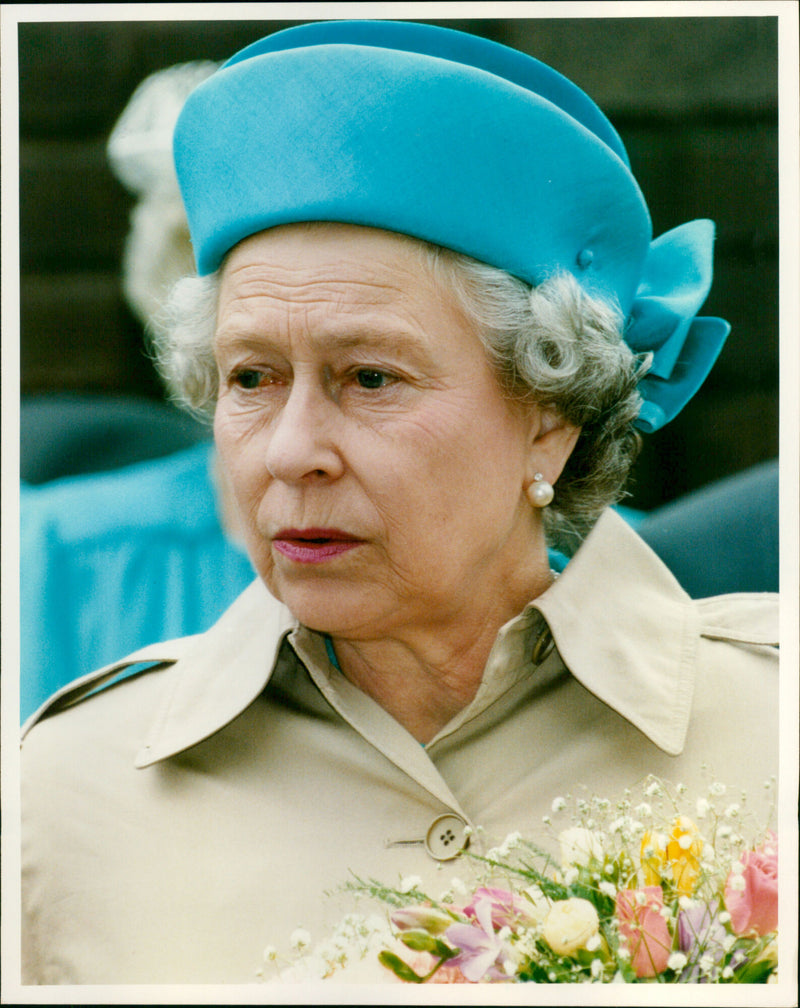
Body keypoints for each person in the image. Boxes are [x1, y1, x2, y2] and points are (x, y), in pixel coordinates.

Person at [20, 21, 779, 985]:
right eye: (251, 377)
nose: (291, 451)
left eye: (370, 379)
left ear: (549, 414)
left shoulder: (772, 726)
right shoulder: (62, 797)